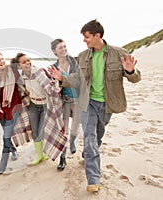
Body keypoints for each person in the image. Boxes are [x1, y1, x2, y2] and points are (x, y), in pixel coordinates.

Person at [49, 19, 141, 192]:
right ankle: (93, 179)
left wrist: (130, 71)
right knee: (89, 138)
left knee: (97, 135)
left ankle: (88, 154)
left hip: (108, 104)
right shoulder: (83, 56)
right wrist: (62, 79)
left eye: (87, 37)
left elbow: (135, 78)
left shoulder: (119, 53)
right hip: (87, 102)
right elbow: (77, 79)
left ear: (97, 36)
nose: (84, 40)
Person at [11, 52, 61, 165]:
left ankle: (45, 152)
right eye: (24, 62)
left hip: (45, 106)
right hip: (33, 105)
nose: (28, 63)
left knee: (41, 132)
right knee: (34, 132)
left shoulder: (38, 73)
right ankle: (40, 155)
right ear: (19, 66)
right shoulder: (22, 77)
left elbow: (50, 88)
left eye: (28, 60)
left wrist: (56, 84)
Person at [50, 39, 81, 171]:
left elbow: (80, 81)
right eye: (60, 48)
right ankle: (63, 158)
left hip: (78, 100)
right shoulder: (54, 67)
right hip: (65, 101)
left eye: (64, 47)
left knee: (75, 128)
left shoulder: (75, 62)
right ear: (54, 51)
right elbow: (54, 86)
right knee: (64, 131)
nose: (63, 50)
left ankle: (73, 141)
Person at [0, 51, 21, 175]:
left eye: (2, 59)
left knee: (6, 136)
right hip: (0, 109)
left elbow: (27, 70)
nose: (2, 62)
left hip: (13, 106)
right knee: (6, 133)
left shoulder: (12, 71)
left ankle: (2, 166)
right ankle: (13, 150)